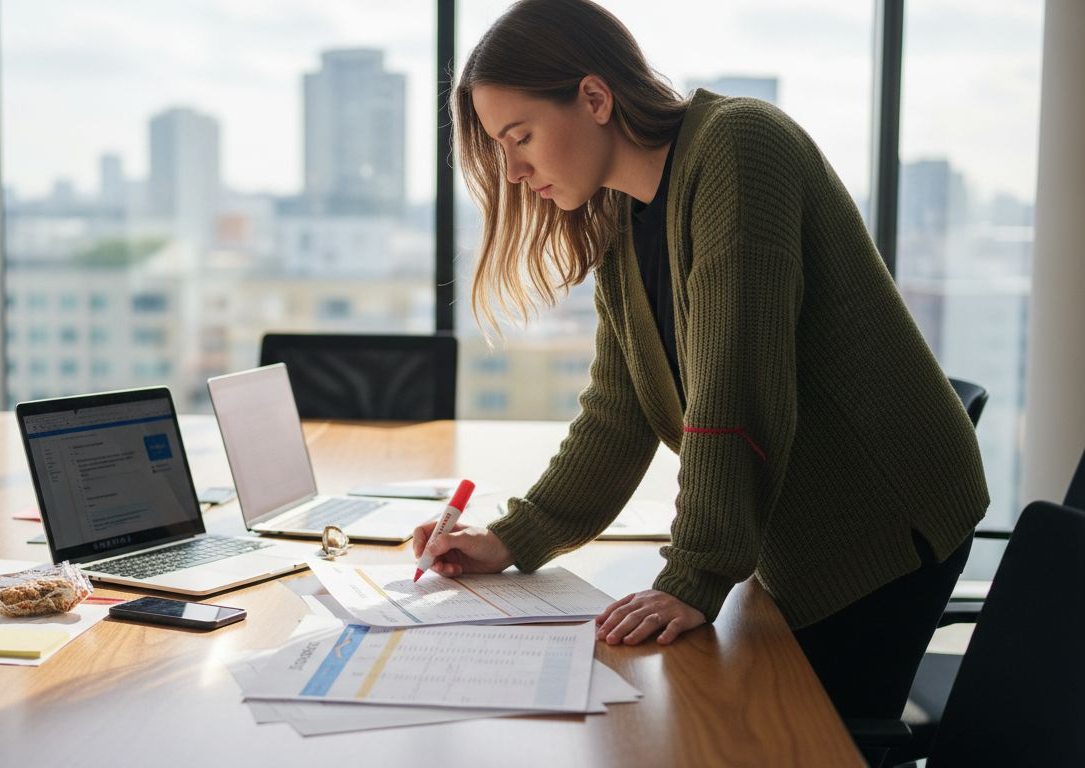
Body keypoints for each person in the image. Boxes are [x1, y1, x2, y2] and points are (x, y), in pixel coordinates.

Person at [413, 0, 988, 721]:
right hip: (793, 532)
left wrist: (693, 576)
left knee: (783, 742)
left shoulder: (740, 147)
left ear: (593, 97)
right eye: (500, 149)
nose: (516, 171)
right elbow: (616, 413)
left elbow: (732, 388)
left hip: (880, 526)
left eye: (519, 136)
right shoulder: (625, 218)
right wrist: (511, 538)